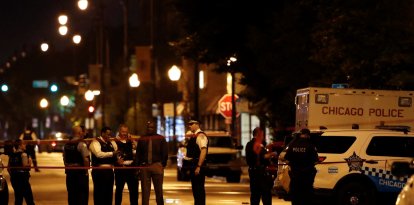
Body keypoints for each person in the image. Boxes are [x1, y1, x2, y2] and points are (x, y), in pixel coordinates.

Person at [136, 121, 168, 205]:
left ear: (155, 128)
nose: (150, 129)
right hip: (144, 166)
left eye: (152, 127)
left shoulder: (160, 138)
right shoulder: (142, 138)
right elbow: (138, 153)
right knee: (145, 191)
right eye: (148, 127)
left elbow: (165, 153)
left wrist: (162, 164)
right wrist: (138, 166)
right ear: (146, 128)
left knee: (159, 191)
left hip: (156, 165)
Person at [284, 128, 319, 205]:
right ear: (307, 135)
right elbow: (316, 161)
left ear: (301, 134)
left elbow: (286, 159)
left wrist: (293, 165)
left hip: (295, 175)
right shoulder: (310, 145)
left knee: (295, 196)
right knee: (306, 197)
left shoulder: (292, 144)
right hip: (306, 176)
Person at [245, 127, 277, 205]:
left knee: (255, 193)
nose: (263, 136)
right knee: (265, 193)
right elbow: (263, 156)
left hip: (253, 171)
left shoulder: (249, 144)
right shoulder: (256, 144)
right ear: (258, 134)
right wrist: (272, 154)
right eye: (262, 135)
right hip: (260, 172)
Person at [89, 126, 118, 205]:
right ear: (102, 133)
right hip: (99, 171)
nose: (109, 136)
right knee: (99, 193)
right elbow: (98, 154)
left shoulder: (111, 142)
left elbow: (116, 151)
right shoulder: (95, 142)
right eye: (107, 134)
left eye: (110, 134)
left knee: (109, 193)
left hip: (109, 171)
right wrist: (112, 153)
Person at [63, 125, 90, 205]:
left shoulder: (67, 144)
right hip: (80, 173)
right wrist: (86, 171)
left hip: (69, 173)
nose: (83, 133)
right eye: (82, 131)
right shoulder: (81, 144)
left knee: (71, 195)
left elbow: (64, 158)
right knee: (82, 196)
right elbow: (86, 159)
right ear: (79, 133)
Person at [114, 124, 139, 205]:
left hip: (131, 169)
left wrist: (133, 141)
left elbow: (139, 149)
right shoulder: (114, 141)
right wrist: (117, 161)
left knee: (134, 191)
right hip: (120, 169)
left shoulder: (131, 140)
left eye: (126, 132)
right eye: (123, 131)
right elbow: (113, 153)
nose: (124, 133)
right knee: (119, 190)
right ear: (119, 131)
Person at [185, 120, 208, 205]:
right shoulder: (193, 136)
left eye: (191, 124)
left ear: (197, 124)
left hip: (197, 165)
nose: (189, 126)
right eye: (189, 124)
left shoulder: (200, 135)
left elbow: (203, 150)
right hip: (193, 165)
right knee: (195, 189)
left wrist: (199, 166)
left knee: (199, 189)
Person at [8, 139, 35, 205]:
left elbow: (8, 169)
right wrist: (30, 162)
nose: (25, 145)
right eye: (23, 144)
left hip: (14, 178)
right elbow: (26, 167)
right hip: (23, 178)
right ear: (20, 146)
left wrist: (13, 175)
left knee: (18, 199)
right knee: (29, 199)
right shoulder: (24, 154)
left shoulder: (11, 155)